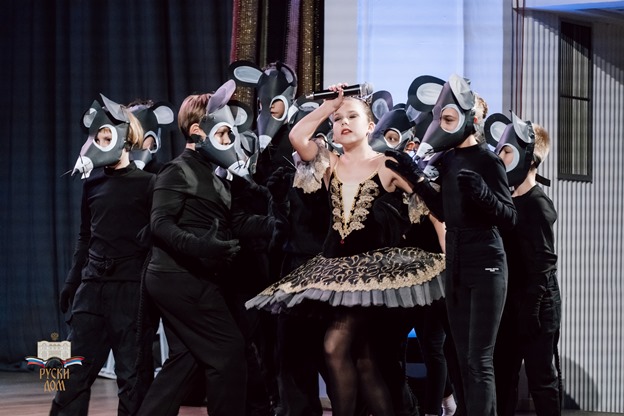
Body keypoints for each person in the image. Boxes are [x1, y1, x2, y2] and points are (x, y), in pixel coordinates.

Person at [247, 84, 446, 416]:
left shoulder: (387, 164)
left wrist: (447, 253)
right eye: (338, 120)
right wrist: (330, 106)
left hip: (373, 274)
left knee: (334, 346)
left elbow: (433, 208)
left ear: (370, 126)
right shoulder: (331, 163)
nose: (344, 123)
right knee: (365, 360)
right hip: (336, 272)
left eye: (352, 117)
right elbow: (298, 136)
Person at [385, 74, 517, 416]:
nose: (440, 124)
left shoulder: (488, 161)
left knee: (479, 359)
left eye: (447, 118)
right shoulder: (446, 161)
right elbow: (443, 211)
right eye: (439, 118)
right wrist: (416, 180)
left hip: (486, 262)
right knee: (459, 356)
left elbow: (509, 217)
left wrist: (485, 195)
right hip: (455, 262)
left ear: (466, 118)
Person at [136, 82, 249, 416]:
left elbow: (233, 223)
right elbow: (160, 224)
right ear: (199, 131)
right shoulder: (177, 170)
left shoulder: (213, 175)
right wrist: (201, 246)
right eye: (224, 132)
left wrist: (271, 225)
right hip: (178, 278)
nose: (229, 140)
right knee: (229, 352)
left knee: (186, 358)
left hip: (187, 277)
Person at [52, 95, 153, 416]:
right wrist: (73, 280)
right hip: (93, 287)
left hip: (131, 291)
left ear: (126, 139)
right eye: (99, 138)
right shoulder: (93, 183)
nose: (102, 145)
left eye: (108, 138)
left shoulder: (149, 184)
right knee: (71, 371)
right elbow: (86, 236)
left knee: (133, 376)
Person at [493, 117, 561, 415]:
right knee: (503, 376)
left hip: (537, 304)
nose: (500, 156)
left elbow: (544, 262)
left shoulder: (537, 204)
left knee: (541, 379)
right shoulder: (506, 200)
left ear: (529, 158)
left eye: (507, 151)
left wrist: (531, 309)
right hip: (510, 302)